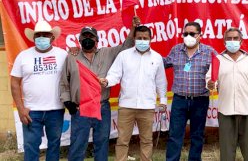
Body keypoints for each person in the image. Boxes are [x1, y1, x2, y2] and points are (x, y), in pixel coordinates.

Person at [60, 17, 139, 161]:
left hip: (102, 106)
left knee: (102, 144)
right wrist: (68, 103)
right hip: (80, 108)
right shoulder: (72, 57)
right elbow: (64, 83)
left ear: (97, 40)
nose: (88, 39)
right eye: (85, 37)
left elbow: (126, 46)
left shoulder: (107, 53)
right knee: (78, 145)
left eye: (91, 37)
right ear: (79, 40)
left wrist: (133, 28)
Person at [99, 25, 167, 161]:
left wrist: (163, 100)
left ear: (151, 39)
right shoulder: (124, 55)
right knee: (122, 141)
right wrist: (106, 81)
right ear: (134, 38)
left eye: (145, 38)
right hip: (126, 105)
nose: (142, 40)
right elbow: (114, 75)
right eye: (139, 38)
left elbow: (161, 82)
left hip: (147, 106)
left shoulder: (157, 57)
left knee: (147, 141)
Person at [10, 20, 67, 161]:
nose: (41, 37)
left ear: (52, 38)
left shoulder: (63, 55)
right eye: (38, 35)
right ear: (34, 38)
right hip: (31, 111)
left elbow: (72, 78)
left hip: (56, 109)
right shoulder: (23, 56)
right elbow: (14, 83)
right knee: (31, 146)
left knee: (54, 145)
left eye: (45, 35)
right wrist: (20, 108)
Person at [206, 27, 248, 161]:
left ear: (241, 41)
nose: (232, 41)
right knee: (226, 153)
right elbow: (210, 80)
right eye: (229, 38)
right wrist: (210, 84)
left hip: (247, 111)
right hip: (225, 111)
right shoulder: (218, 59)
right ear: (224, 41)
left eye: (235, 38)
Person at [165, 21, 217, 161]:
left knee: (197, 135)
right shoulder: (176, 50)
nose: (188, 36)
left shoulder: (209, 52)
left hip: (200, 100)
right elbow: (162, 64)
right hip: (179, 100)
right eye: (185, 33)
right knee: (175, 135)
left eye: (192, 33)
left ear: (200, 35)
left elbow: (218, 72)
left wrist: (214, 83)